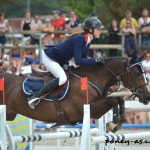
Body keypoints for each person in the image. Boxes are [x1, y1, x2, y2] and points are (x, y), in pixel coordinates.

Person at [28, 17, 105, 109]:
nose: (100, 31)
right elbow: (78, 61)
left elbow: (82, 62)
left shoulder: (87, 42)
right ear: (90, 30)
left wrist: (96, 64)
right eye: (98, 29)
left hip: (61, 59)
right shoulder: (80, 39)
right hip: (50, 57)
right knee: (62, 78)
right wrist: (95, 60)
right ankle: (35, 96)